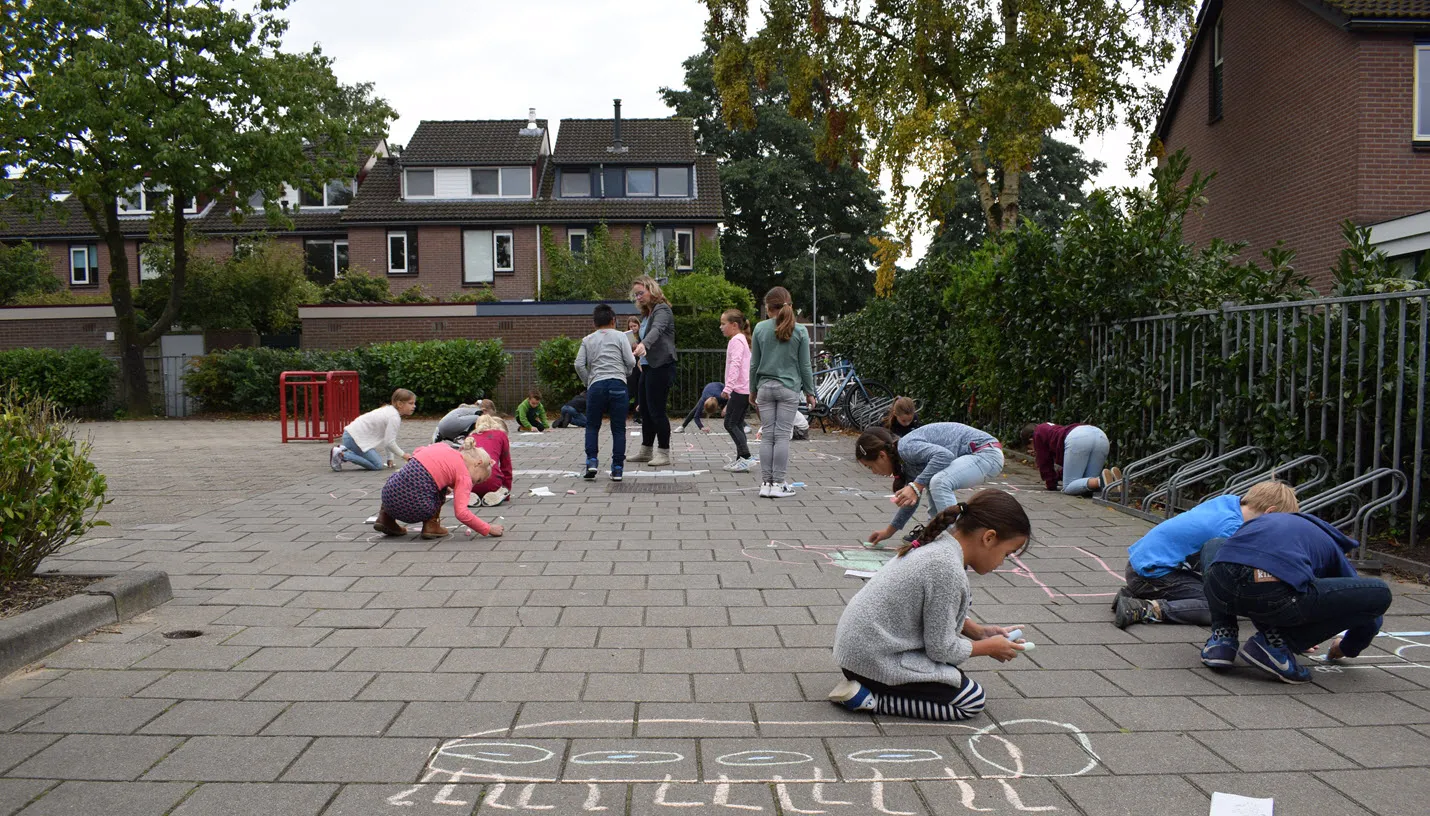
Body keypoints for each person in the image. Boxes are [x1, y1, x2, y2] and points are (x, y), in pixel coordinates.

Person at [829, 489, 1031, 721]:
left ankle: (871, 686)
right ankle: (868, 698)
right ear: (989, 538)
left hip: (858, 651)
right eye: (1007, 553)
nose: (1002, 562)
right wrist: (988, 648)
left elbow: (932, 610)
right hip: (872, 660)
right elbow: (941, 650)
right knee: (971, 700)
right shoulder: (947, 569)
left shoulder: (940, 544)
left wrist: (979, 632)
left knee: (950, 677)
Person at [1200, 512, 1392, 684]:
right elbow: (1364, 607)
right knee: (1380, 592)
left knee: (1214, 545)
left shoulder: (1261, 524)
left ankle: (1223, 637)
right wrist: (1347, 648)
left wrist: (1270, 629)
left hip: (1220, 585)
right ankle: (1276, 645)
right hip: (1273, 593)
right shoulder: (1331, 546)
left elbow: (1249, 574)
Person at [1113, 481, 1299, 629]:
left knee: (1214, 590)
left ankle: (1134, 593)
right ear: (1270, 512)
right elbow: (1233, 575)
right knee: (1216, 607)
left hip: (1143, 565)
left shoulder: (1228, 503)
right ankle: (1145, 609)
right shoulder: (1231, 529)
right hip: (1151, 574)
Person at [855, 423, 1005, 547]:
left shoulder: (906, 448)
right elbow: (911, 501)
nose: (873, 472)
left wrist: (916, 486)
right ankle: (935, 541)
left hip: (985, 453)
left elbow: (944, 455)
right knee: (934, 485)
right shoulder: (905, 463)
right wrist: (888, 532)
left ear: (882, 455)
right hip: (979, 456)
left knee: (939, 482)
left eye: (870, 466)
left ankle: (962, 545)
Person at [751, 286, 815, 498]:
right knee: (781, 437)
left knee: (767, 435)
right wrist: (810, 392)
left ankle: (765, 483)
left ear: (768, 308)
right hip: (788, 389)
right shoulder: (800, 331)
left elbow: (754, 364)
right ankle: (778, 484)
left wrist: (752, 389)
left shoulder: (760, 328)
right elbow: (805, 366)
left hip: (765, 388)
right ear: (790, 305)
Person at [372, 437, 505, 539]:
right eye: (478, 479)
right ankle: (431, 526)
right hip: (416, 509)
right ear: (478, 463)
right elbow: (461, 513)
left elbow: (417, 452)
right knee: (438, 491)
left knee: (401, 479)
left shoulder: (442, 446)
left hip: (388, 497)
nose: (474, 484)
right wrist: (487, 529)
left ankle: (385, 518)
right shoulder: (464, 476)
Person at [575, 303, 637, 481]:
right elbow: (631, 361)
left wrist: (589, 381)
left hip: (596, 385)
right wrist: (624, 374)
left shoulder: (588, 339)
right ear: (613, 320)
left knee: (592, 425)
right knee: (618, 428)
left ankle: (592, 461)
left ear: (594, 323)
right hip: (618, 384)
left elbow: (578, 364)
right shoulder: (621, 337)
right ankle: (617, 468)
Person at [629, 276, 677, 467]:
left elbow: (656, 331)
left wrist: (644, 344)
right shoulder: (646, 314)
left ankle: (663, 453)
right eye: (636, 295)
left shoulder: (662, 309)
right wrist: (636, 345)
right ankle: (645, 450)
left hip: (662, 365)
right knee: (645, 410)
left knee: (657, 410)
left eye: (641, 293)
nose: (638, 297)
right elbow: (647, 335)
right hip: (647, 366)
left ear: (652, 290)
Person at [1017, 422, 1117, 496]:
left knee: (1069, 487)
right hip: (1100, 435)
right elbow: (1071, 467)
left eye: (1031, 448)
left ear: (1031, 439)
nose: (1033, 451)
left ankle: (1101, 480)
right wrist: (1058, 476)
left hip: (1078, 438)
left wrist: (1051, 483)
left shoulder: (1037, 434)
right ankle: (1113, 481)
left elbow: (1044, 462)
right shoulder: (1050, 430)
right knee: (1087, 487)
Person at [331, 389, 416, 471]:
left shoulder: (390, 411)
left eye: (414, 403)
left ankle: (343, 449)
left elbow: (388, 440)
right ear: (400, 404)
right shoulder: (394, 417)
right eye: (411, 403)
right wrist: (404, 455)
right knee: (377, 465)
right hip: (353, 439)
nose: (414, 406)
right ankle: (341, 455)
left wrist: (390, 458)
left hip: (352, 436)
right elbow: (389, 442)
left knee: (376, 461)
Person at [719, 309, 755, 472]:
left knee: (730, 423)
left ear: (734, 325)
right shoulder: (741, 339)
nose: (721, 327)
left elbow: (736, 364)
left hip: (740, 390)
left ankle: (746, 457)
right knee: (737, 423)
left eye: (723, 323)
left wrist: (728, 388)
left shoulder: (736, 341)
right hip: (743, 389)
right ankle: (741, 458)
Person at [466, 414, 513, 507]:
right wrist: (506, 490)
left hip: (470, 484)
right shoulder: (501, 435)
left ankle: (468, 495)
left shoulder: (470, 437)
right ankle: (497, 494)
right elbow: (506, 466)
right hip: (492, 483)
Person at [625, 316, 643, 424]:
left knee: (639, 391)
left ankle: (638, 415)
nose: (633, 328)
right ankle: (623, 412)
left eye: (635, 326)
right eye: (630, 326)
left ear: (639, 325)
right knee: (630, 390)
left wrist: (638, 346)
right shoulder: (626, 337)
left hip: (640, 365)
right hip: (632, 365)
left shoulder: (642, 336)